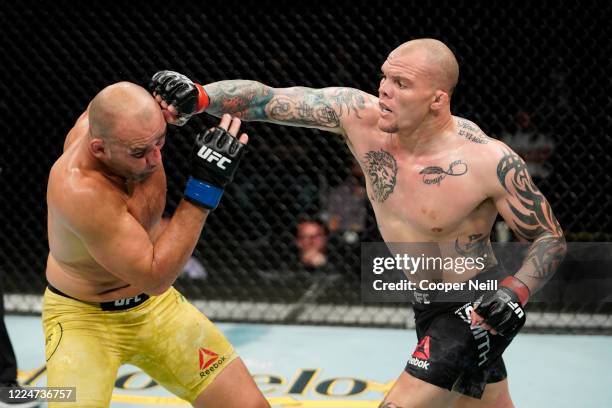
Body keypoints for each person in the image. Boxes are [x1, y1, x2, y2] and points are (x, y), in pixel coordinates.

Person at [150, 38, 566, 408]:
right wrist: (201, 97)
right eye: (385, 77)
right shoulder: (358, 117)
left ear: (437, 100)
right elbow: (266, 99)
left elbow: (549, 237)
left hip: (477, 305)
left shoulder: (487, 161)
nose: (384, 89)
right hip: (425, 304)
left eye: (401, 84)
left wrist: (516, 290)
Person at [43, 82, 270, 408]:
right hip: (83, 318)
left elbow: (138, 104)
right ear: (98, 148)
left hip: (152, 308)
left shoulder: (138, 132)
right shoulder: (80, 189)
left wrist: (183, 100)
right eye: (139, 152)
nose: (153, 159)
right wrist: (205, 187)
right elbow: (155, 277)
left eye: (159, 142)